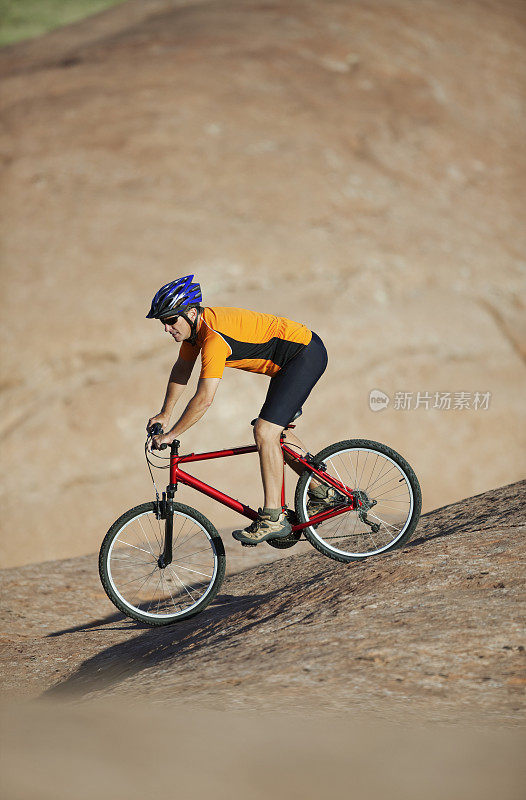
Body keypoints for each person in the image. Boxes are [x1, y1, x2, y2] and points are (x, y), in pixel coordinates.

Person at [146, 275, 336, 545]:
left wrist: (171, 433)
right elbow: (182, 370)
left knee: (265, 431)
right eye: (162, 322)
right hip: (290, 362)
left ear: (190, 313)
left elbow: (204, 399)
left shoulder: (212, 338)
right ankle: (322, 493)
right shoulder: (194, 334)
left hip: (303, 354)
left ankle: (273, 517)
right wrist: (165, 413)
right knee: (272, 432)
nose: (166, 328)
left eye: (170, 320)